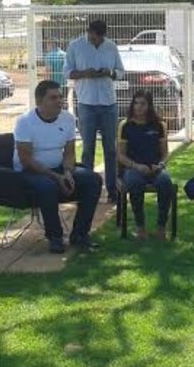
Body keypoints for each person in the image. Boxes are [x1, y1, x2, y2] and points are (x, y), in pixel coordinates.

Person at [14, 80, 102, 254]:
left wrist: (68, 172)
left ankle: (80, 234)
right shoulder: (25, 122)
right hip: (30, 171)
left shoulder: (67, 118)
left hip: (59, 168)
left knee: (93, 180)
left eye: (60, 97)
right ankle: (55, 237)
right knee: (48, 187)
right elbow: (26, 159)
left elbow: (69, 152)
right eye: (53, 98)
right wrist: (56, 177)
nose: (59, 101)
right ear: (39, 101)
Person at [64, 19, 126, 203]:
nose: (97, 40)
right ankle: (87, 190)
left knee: (111, 149)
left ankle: (112, 190)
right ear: (89, 32)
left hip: (108, 103)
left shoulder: (111, 46)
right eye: (94, 37)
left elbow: (121, 71)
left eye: (101, 38)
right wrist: (85, 73)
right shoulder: (75, 46)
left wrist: (110, 73)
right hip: (86, 103)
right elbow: (67, 72)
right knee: (88, 148)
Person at [117, 90, 174, 241]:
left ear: (149, 106)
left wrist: (160, 165)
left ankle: (161, 227)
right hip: (133, 168)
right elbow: (121, 155)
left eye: (143, 103)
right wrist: (136, 166)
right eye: (136, 103)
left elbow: (165, 153)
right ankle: (140, 227)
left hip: (155, 167)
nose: (139, 107)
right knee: (135, 183)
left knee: (165, 182)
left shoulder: (159, 125)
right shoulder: (125, 125)